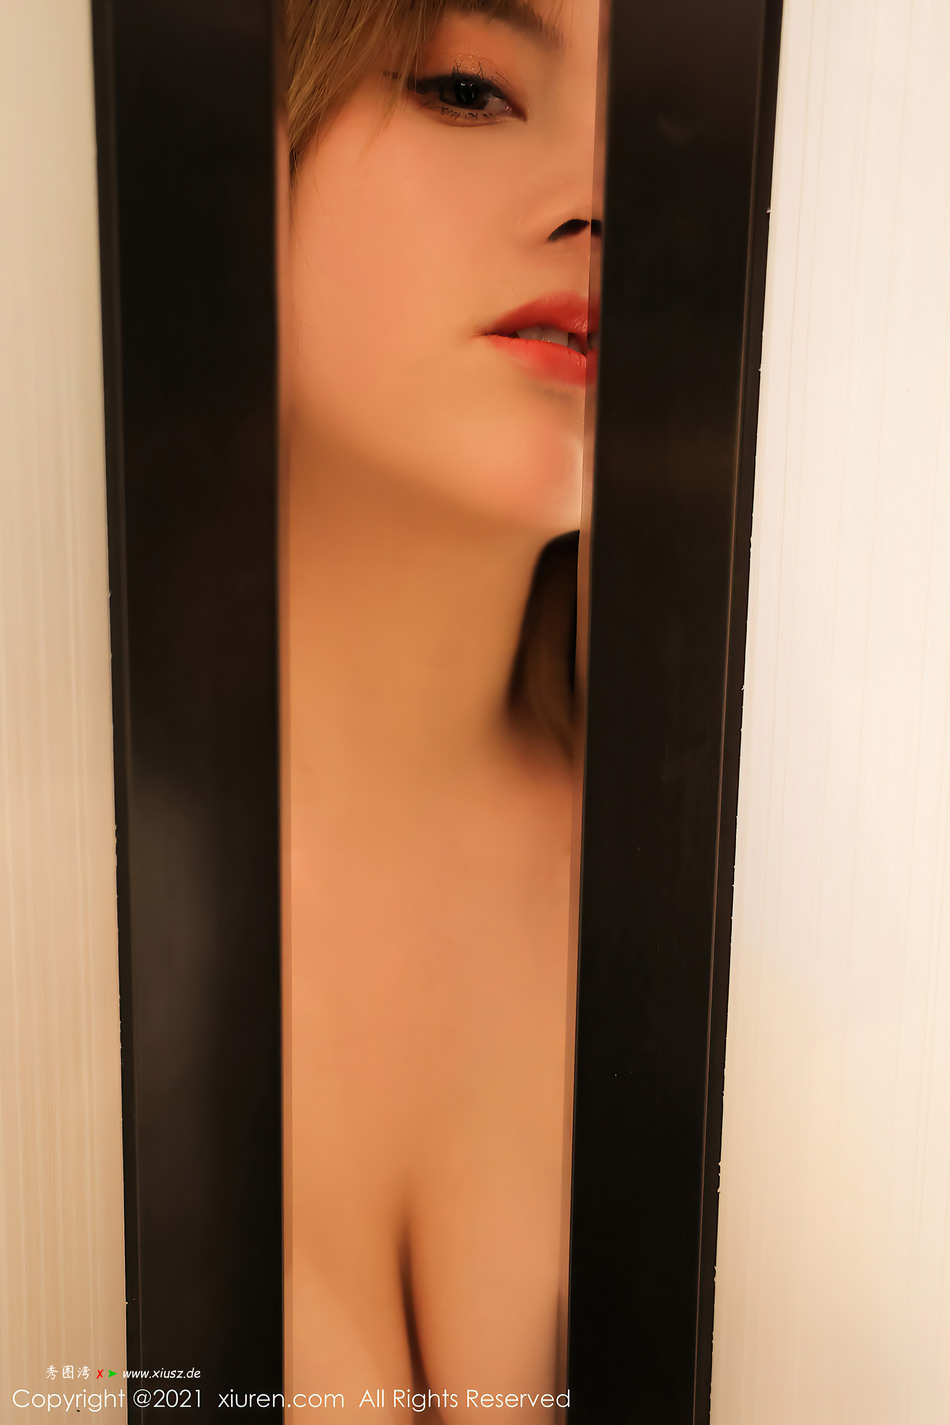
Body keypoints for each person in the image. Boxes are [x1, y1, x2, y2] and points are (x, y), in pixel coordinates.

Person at [279, 0, 600, 1415]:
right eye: (470, 89)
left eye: (662, 133)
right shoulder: (46, 894)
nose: (601, 201)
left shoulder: (730, 888)